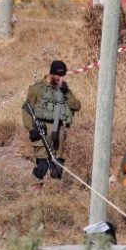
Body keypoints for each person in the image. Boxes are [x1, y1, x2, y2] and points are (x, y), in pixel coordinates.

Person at [22, 60, 81, 190]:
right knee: (42, 164)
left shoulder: (63, 89)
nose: (61, 78)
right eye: (58, 75)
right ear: (51, 73)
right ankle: (36, 190)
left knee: (57, 164)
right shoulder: (36, 89)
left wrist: (66, 92)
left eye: (62, 75)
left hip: (59, 130)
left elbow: (76, 106)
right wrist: (31, 129)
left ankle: (54, 192)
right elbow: (26, 109)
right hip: (41, 129)